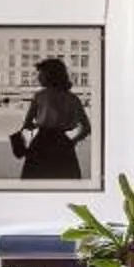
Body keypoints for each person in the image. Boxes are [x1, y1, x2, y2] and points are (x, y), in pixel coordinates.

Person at [10, 56, 92, 184]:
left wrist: (35, 126)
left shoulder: (40, 96)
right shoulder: (73, 99)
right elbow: (87, 128)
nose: (38, 77)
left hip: (41, 144)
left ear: (50, 75)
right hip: (63, 146)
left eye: (41, 74)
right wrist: (72, 141)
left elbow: (27, 125)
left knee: (36, 183)